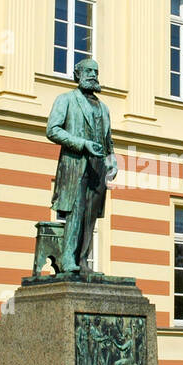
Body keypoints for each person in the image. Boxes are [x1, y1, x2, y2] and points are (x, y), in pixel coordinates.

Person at [46, 58, 117, 274]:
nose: (93, 75)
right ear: (77, 74)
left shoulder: (104, 108)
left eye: (96, 71)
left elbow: (108, 140)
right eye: (88, 71)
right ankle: (68, 259)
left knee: (91, 216)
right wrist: (82, 144)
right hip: (76, 165)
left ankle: (83, 261)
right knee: (75, 212)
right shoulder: (66, 99)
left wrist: (112, 159)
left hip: (98, 167)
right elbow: (53, 129)